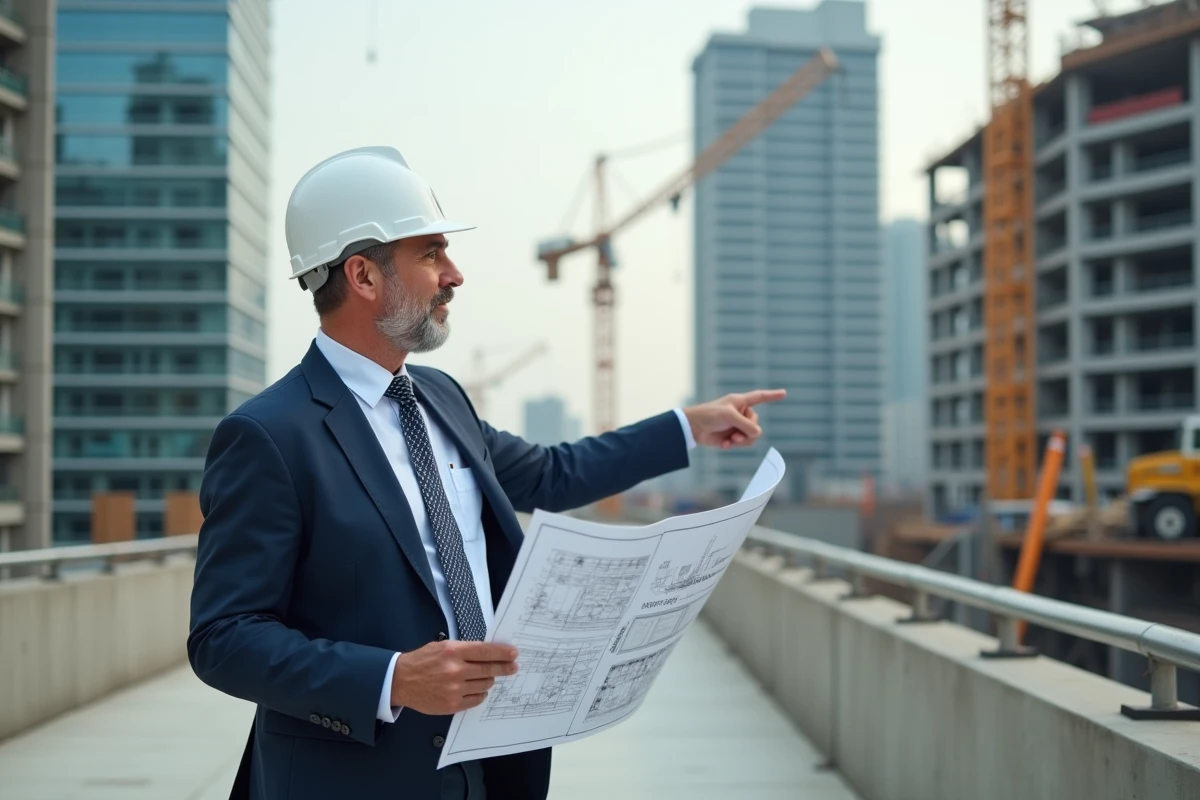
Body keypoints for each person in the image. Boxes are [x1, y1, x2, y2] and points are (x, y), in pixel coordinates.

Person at [187, 146, 786, 800]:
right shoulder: (269, 436)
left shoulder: (441, 399)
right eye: (431, 254)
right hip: (354, 778)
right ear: (362, 275)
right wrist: (391, 679)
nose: (455, 275)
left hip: (493, 766)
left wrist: (685, 428)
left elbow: (552, 474)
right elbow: (225, 638)